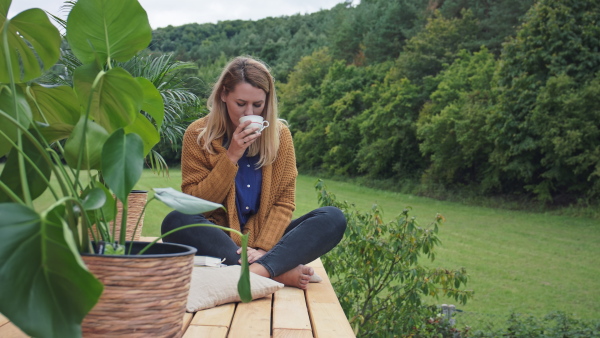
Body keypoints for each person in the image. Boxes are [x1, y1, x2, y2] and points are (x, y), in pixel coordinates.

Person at [161, 56, 346, 289]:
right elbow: (195, 204)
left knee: (332, 218)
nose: (249, 112)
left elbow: (284, 203)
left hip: (269, 239)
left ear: (267, 102)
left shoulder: (280, 136)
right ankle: (276, 272)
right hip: (222, 239)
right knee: (178, 220)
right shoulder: (198, 134)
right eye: (241, 104)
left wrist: (262, 249)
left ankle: (254, 272)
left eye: (257, 105)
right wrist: (232, 156)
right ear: (223, 95)